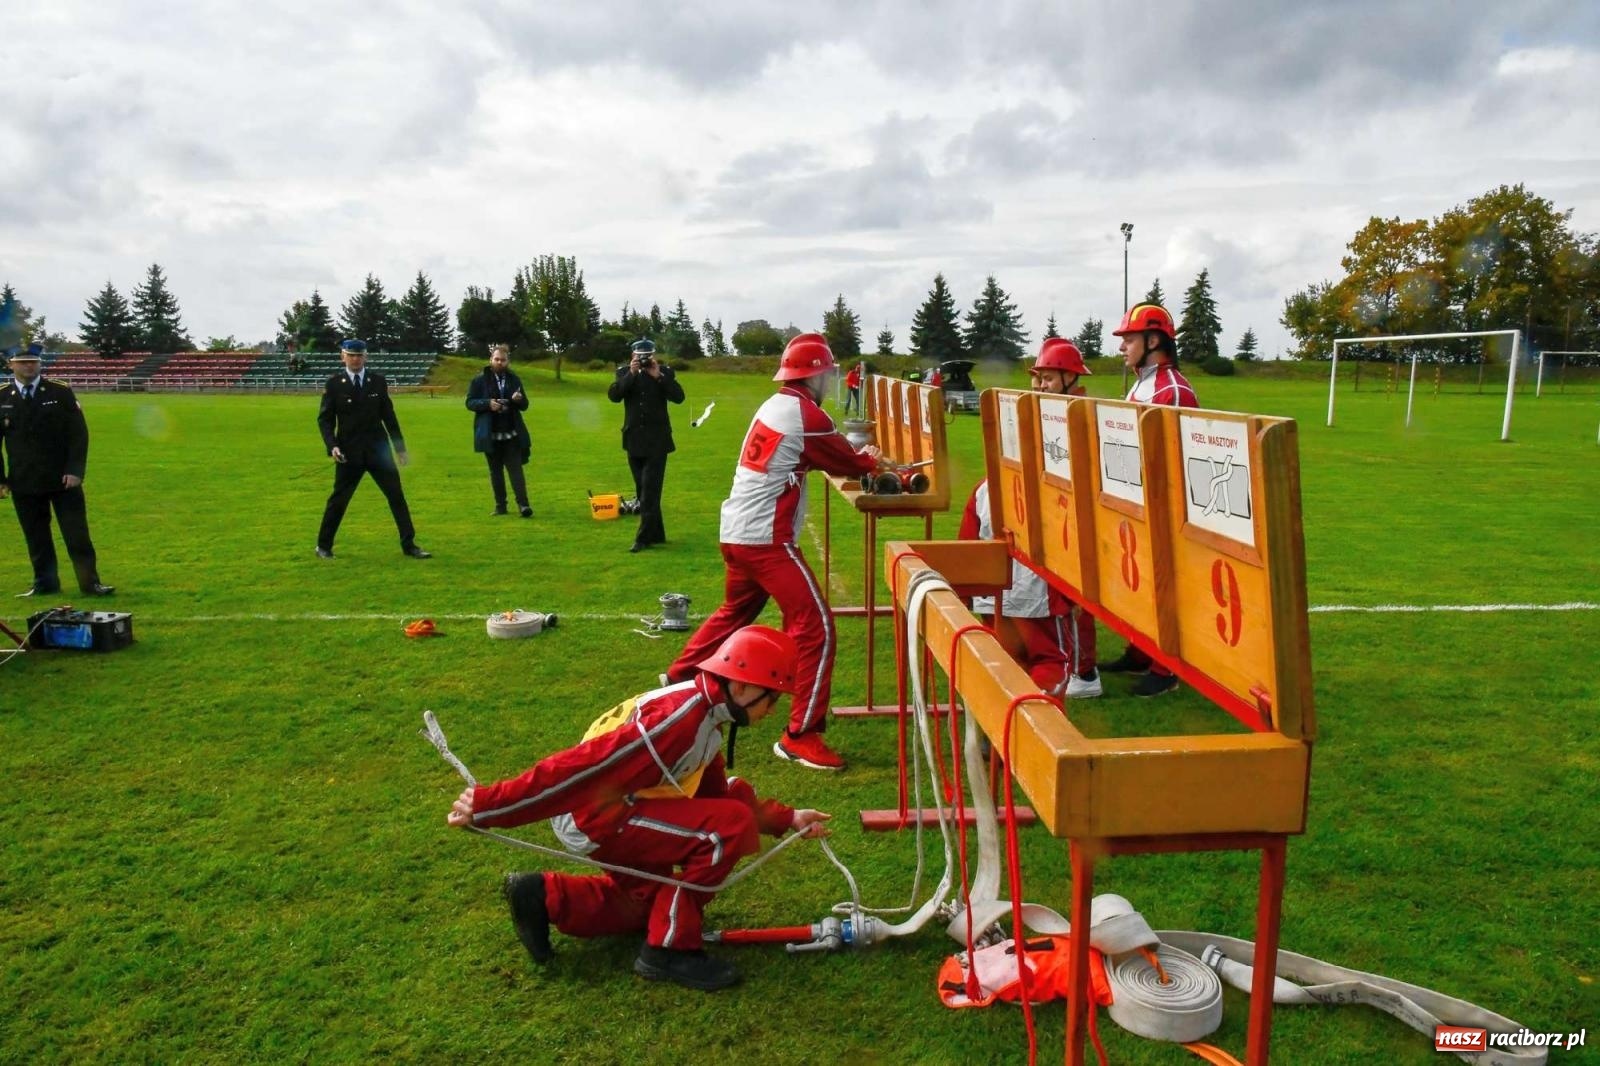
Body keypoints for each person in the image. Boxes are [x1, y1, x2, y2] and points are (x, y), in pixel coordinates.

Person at [446, 625, 832, 991]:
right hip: (594, 815)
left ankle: (544, 896)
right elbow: (580, 769)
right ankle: (668, 951)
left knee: (650, 904)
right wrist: (489, 805)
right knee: (727, 828)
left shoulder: (708, 715)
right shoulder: (678, 721)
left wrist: (788, 818)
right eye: (773, 696)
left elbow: (714, 793)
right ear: (743, 686)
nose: (773, 709)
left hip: (618, 808)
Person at [663, 333, 881, 771]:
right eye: (828, 372)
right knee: (815, 626)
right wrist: (872, 459)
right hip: (767, 539)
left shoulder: (774, 404)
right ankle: (801, 735)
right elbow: (849, 462)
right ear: (816, 374)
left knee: (734, 612)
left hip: (738, 532)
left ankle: (678, 680)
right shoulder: (806, 414)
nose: (831, 380)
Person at [958, 338, 1099, 697]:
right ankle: (1024, 743)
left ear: (1073, 384)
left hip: (1032, 569)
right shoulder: (1021, 420)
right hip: (1024, 576)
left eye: (1049, 378)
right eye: (1038, 378)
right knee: (1044, 663)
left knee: (1023, 665)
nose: (1039, 385)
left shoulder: (1080, 428)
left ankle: (1007, 744)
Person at [1103, 303, 1198, 697]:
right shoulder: (1142, 383)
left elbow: (1168, 459)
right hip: (1137, 499)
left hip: (1164, 504)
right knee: (1138, 581)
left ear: (1154, 340)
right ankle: (1140, 650)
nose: (1122, 346)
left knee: (1163, 584)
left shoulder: (1171, 389)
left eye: (1129, 338)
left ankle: (1167, 669)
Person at [0, 343, 115, 597]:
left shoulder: (59, 392)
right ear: (11, 365)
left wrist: (75, 470)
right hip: (23, 480)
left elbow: (78, 435)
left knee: (77, 535)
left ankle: (90, 583)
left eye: (33, 361)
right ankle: (45, 583)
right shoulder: (3, 396)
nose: (29, 366)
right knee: (36, 537)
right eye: (23, 362)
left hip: (62, 479)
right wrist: (1, 479)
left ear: (40, 364)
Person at [314, 339, 431, 559]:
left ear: (365, 357)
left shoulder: (377, 382)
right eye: (351, 355)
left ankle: (409, 544)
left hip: (379, 452)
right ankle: (323, 546)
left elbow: (389, 416)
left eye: (359, 355)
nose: (355, 359)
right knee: (339, 500)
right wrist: (333, 446)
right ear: (343, 357)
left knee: (396, 496)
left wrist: (400, 448)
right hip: (348, 455)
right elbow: (325, 420)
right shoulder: (334, 384)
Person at [607, 339, 685, 552]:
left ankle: (642, 538)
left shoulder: (664, 372)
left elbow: (679, 397)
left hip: (657, 442)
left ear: (653, 354)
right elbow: (614, 395)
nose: (642, 360)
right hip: (633, 440)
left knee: (649, 492)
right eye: (639, 356)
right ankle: (657, 534)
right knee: (644, 490)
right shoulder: (624, 372)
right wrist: (631, 375)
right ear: (632, 355)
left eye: (646, 356)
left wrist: (658, 376)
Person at [466, 344, 532, 517]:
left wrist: (518, 399)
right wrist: (488, 404)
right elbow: (470, 402)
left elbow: (525, 405)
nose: (500, 362)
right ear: (490, 360)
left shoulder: (514, 379)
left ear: (508, 361)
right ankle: (500, 506)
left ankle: (523, 505)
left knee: (516, 470)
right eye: (497, 359)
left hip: (511, 433)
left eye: (503, 360)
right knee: (495, 471)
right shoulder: (479, 380)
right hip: (490, 433)